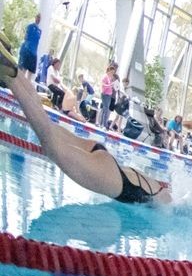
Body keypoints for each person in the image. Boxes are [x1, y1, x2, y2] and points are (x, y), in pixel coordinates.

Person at [0, 54, 169, 205]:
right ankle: (10, 76)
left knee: (48, 127)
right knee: (50, 143)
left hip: (107, 160)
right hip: (115, 180)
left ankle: (11, 69)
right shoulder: (166, 201)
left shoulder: (158, 187)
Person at [96, 63, 118, 130]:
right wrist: (109, 85)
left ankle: (102, 124)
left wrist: (112, 86)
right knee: (105, 109)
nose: (112, 73)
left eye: (113, 72)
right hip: (104, 94)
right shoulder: (105, 76)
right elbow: (102, 85)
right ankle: (104, 125)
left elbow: (110, 86)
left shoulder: (110, 78)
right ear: (109, 71)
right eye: (111, 72)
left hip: (109, 95)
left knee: (106, 109)